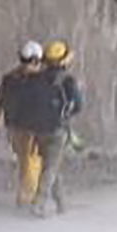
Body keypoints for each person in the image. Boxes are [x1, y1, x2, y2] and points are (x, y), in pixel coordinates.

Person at [0, 39, 65, 216]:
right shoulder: (46, 80)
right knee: (38, 164)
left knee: (44, 164)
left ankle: (59, 201)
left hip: (26, 127)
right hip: (38, 127)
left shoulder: (12, 78)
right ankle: (33, 199)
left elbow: (1, 101)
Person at [37, 37, 87, 215]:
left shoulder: (38, 78)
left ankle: (61, 203)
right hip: (58, 129)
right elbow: (78, 105)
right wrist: (67, 115)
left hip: (39, 129)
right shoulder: (68, 81)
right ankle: (40, 203)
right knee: (51, 167)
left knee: (50, 165)